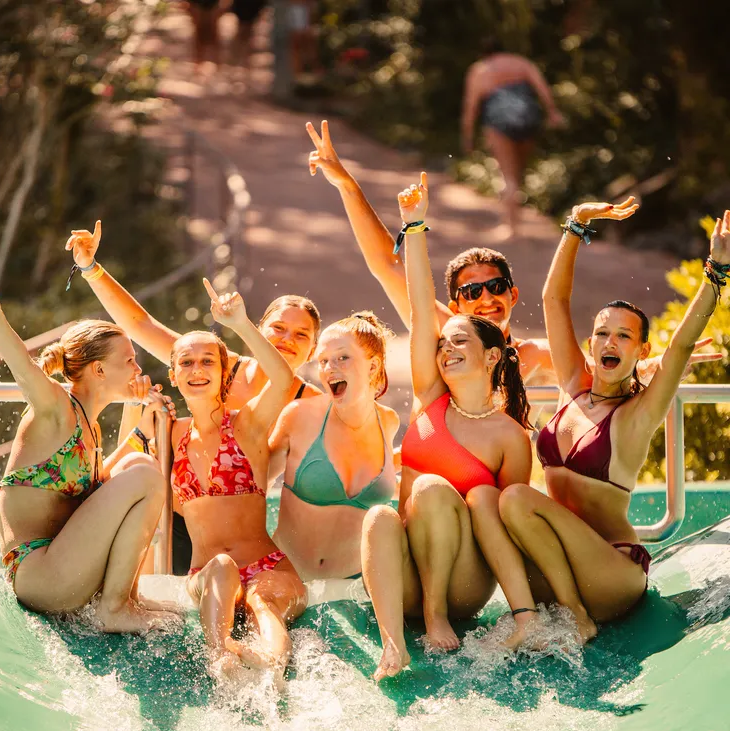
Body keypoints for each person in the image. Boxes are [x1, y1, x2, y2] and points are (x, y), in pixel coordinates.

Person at [305, 119, 719, 395]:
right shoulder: (442, 332)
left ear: (514, 294)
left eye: (496, 286)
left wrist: (659, 365)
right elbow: (387, 264)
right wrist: (345, 184)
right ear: (456, 305)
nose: (487, 297)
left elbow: (600, 377)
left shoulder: (534, 355)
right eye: (472, 291)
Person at [492, 203, 730, 646]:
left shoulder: (638, 414)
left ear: (640, 352)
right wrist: (577, 223)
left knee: (517, 497)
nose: (610, 341)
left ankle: (579, 617)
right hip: (561, 561)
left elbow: (679, 348)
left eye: (624, 336)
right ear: (591, 342)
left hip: (612, 573)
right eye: (602, 333)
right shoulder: (573, 386)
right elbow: (553, 300)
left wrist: (716, 271)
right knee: (488, 503)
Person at [65, 222, 322, 573]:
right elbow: (142, 326)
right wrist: (91, 268)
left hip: (244, 535)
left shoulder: (313, 402)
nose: (286, 339)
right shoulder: (213, 363)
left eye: (300, 334)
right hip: (177, 520)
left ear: (312, 351)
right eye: (278, 327)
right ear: (259, 328)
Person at [360, 174, 533, 680]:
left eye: (461, 343)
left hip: (463, 582)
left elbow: (512, 523)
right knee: (378, 519)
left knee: (436, 490)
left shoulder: (508, 435)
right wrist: (414, 228)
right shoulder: (431, 398)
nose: (448, 349)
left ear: (492, 355)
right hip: (408, 568)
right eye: (443, 344)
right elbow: (419, 307)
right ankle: (394, 645)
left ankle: (435, 616)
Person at [0, 255, 179, 633]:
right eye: (130, 360)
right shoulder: (57, 407)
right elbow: (23, 368)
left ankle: (127, 598)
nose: (139, 369)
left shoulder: (90, 427)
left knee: (137, 468)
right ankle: (115, 607)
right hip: (40, 575)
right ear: (100, 370)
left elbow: (101, 490)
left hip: (65, 566)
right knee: (145, 476)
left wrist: (141, 423)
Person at [171, 278, 306, 681]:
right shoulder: (167, 431)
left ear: (225, 371)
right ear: (174, 373)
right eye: (187, 362)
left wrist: (241, 324)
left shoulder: (246, 425)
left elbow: (283, 380)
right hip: (207, 572)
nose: (198, 370)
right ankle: (222, 661)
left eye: (208, 361)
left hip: (268, 564)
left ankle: (273, 668)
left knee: (263, 601)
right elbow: (111, 473)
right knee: (222, 566)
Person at [268, 311, 400, 581]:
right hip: (291, 582)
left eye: (342, 357)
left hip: (357, 589)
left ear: (373, 367)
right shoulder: (299, 416)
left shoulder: (388, 421)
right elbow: (251, 490)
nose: (329, 368)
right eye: (323, 361)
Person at [461, 39, 564, 237]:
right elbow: (542, 89)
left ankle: (511, 225)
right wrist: (552, 112)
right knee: (519, 171)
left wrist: (467, 136)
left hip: (498, 122)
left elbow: (471, 105)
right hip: (528, 119)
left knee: (507, 174)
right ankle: (516, 218)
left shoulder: (481, 69)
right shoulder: (520, 63)